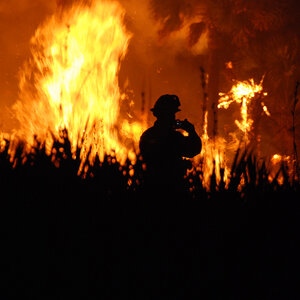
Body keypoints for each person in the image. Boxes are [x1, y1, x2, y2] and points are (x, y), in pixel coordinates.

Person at [139, 94, 202, 193]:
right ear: (167, 115)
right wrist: (191, 131)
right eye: (172, 114)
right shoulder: (174, 137)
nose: (174, 118)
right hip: (173, 187)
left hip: (151, 187)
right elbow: (193, 149)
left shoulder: (147, 135)